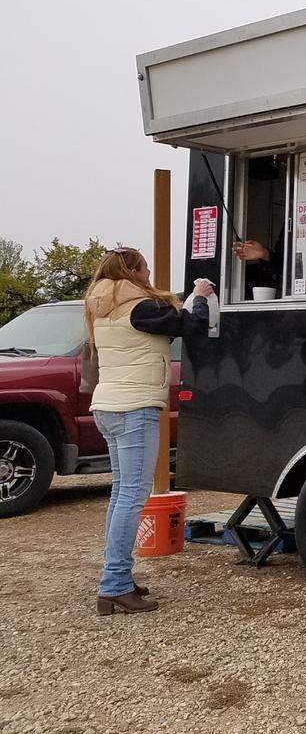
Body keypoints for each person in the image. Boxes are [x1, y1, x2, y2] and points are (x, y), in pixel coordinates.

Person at [82, 247, 212, 615]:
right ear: (133, 272)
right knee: (131, 497)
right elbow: (191, 326)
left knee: (120, 494)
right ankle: (115, 585)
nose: (149, 273)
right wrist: (200, 297)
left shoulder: (101, 306)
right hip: (134, 408)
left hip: (107, 406)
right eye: (145, 268)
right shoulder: (141, 308)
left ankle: (116, 577)